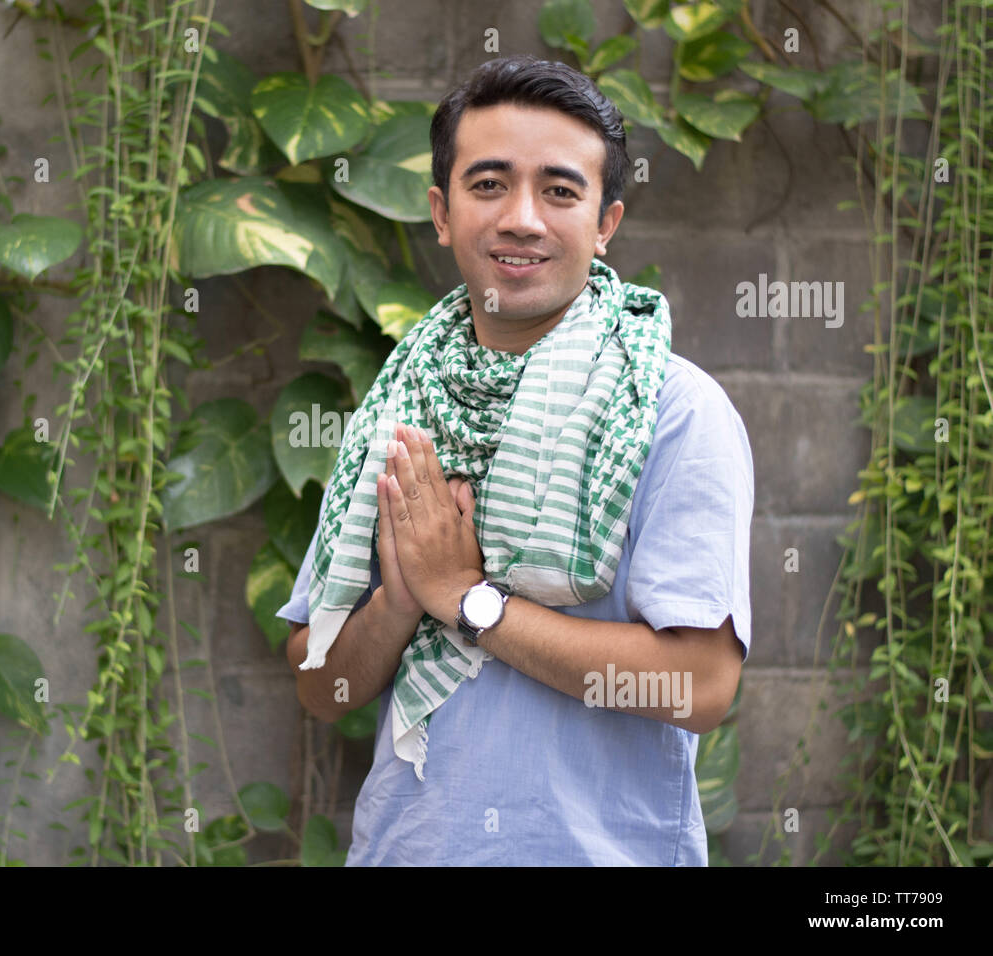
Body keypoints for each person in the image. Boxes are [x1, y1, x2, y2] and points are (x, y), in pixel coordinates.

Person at [278, 54, 753, 866]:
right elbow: (324, 689)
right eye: (489, 184)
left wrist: (470, 601)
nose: (522, 218)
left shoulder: (672, 411)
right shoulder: (399, 414)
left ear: (605, 222)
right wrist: (402, 600)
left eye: (560, 191)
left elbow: (699, 686)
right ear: (440, 210)